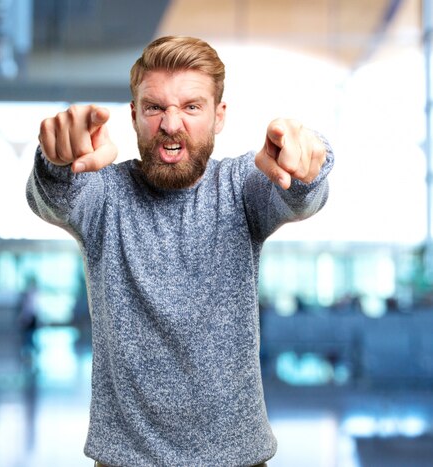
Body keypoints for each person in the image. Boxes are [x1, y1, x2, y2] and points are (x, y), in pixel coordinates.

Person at [26, 35, 333, 467]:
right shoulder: (105, 195)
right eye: (154, 107)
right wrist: (56, 161)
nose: (172, 124)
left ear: (219, 116)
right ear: (134, 116)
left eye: (192, 106)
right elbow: (54, 196)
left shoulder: (242, 186)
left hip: (239, 459)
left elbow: (300, 195)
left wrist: (305, 165)